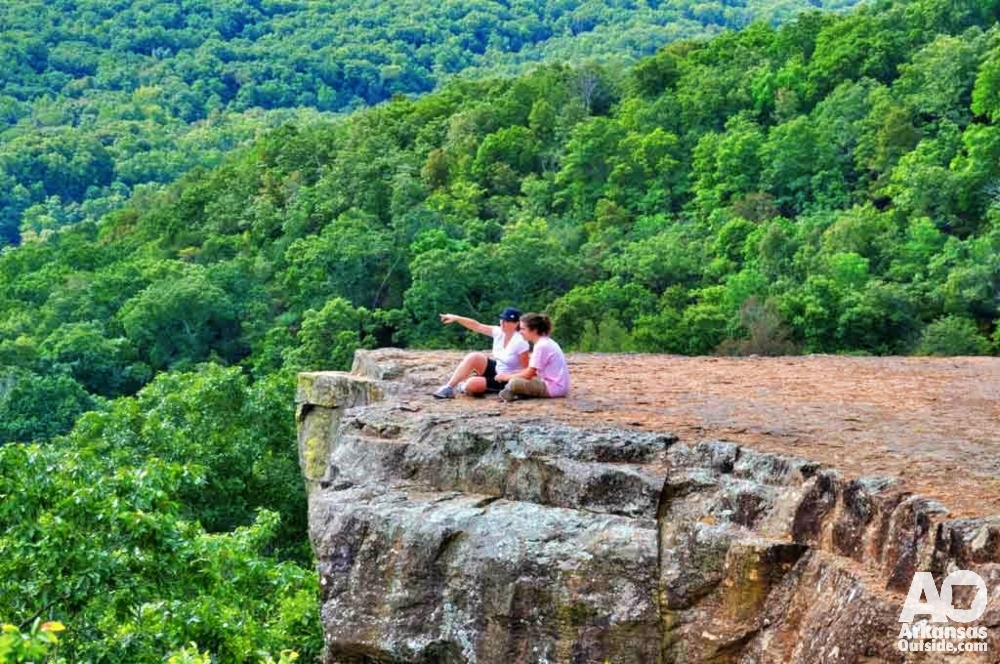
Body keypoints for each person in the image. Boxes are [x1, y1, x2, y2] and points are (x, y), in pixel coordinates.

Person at [433, 307, 530, 398]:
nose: (503, 323)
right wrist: (456, 318)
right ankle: (448, 387)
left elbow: (526, 371)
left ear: (517, 323)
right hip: (498, 368)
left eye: (508, 321)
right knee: (474, 356)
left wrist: (506, 377)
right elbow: (477, 326)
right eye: (502, 319)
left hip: (507, 379)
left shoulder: (520, 342)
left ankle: (466, 387)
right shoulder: (498, 332)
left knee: (472, 384)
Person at [496, 312, 570, 402]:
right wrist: (510, 374)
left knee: (514, 382)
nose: (520, 332)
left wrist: (506, 377)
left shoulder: (541, 346)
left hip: (554, 388)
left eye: (523, 329)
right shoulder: (544, 342)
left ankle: (514, 393)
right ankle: (513, 393)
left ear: (534, 330)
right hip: (557, 385)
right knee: (516, 377)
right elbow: (533, 371)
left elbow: (529, 374)